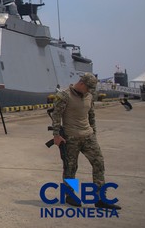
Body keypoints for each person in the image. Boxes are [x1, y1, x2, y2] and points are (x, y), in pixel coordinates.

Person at [51, 73, 121, 209]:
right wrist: (56, 135)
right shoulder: (64, 96)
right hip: (71, 137)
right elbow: (56, 115)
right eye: (88, 87)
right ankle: (70, 195)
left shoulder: (89, 95)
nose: (89, 91)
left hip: (88, 136)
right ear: (81, 83)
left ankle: (101, 198)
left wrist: (93, 132)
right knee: (71, 168)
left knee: (99, 162)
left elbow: (91, 115)